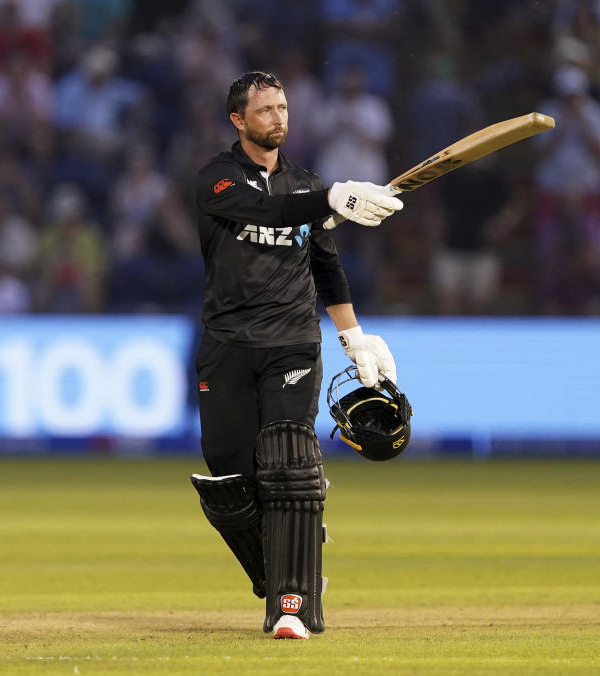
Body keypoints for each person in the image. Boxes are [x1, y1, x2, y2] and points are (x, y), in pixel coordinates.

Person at [187, 71, 403, 641]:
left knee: (287, 458)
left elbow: (326, 267)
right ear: (239, 120)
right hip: (227, 346)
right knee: (229, 479)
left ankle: (294, 605)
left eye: (283, 107)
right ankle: (289, 562)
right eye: (266, 110)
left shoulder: (307, 184)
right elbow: (267, 213)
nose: (279, 118)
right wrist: (329, 200)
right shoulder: (217, 180)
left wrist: (353, 338)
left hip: (291, 342)